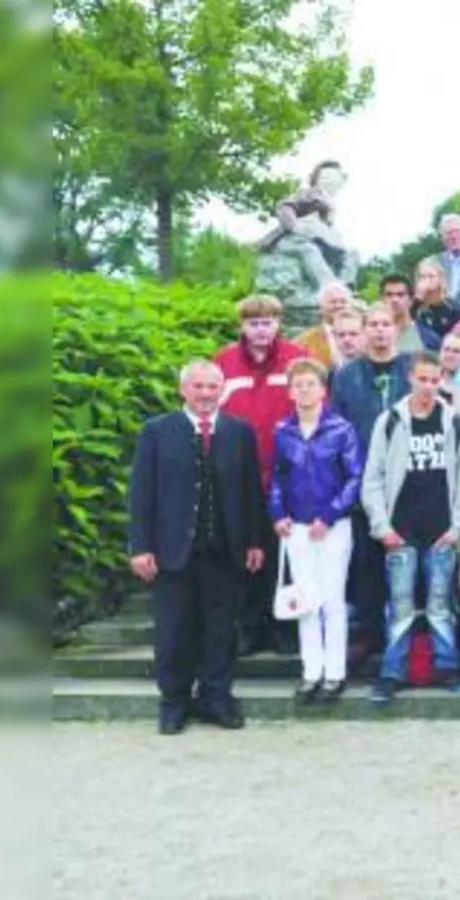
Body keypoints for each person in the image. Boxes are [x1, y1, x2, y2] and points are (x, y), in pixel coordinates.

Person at [128, 360, 268, 735]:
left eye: (212, 387)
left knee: (221, 629)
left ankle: (216, 697)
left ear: (222, 390)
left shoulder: (240, 433)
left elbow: (251, 491)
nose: (206, 394)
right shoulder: (156, 432)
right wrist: (140, 547)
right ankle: (174, 701)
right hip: (173, 551)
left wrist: (255, 540)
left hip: (225, 549)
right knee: (173, 630)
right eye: (198, 387)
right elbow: (141, 494)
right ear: (183, 390)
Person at [361, 352, 460, 703]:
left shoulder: (454, 422)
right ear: (410, 378)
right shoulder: (390, 421)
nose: (428, 386)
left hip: (441, 530)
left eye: (434, 379)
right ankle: (392, 673)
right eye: (422, 379)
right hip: (401, 531)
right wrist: (382, 527)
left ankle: (447, 668)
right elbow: (373, 478)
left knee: (441, 603)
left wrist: (457, 527)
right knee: (400, 605)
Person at [213, 294, 310, 657]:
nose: (260, 330)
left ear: (278, 324)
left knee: (286, 554)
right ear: (242, 326)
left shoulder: (297, 359)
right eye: (253, 323)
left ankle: (284, 627)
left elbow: (316, 405)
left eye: (267, 322)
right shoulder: (224, 362)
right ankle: (249, 626)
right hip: (238, 475)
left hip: (288, 474)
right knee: (244, 551)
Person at [269, 359, 363, 703]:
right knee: (305, 601)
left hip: (333, 527)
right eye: (298, 385)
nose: (304, 390)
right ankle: (311, 672)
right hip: (296, 526)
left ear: (323, 390)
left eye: (311, 384)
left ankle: (335, 673)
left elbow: (355, 477)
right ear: (290, 391)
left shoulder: (341, 430)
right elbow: (277, 476)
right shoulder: (283, 430)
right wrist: (277, 512)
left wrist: (331, 513)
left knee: (332, 600)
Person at [330, 304, 414, 660]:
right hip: (364, 478)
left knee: (409, 555)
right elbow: (338, 427)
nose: (379, 331)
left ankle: (412, 630)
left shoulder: (412, 368)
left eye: (385, 324)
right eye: (373, 325)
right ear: (364, 331)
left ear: (396, 329)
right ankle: (369, 632)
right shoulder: (347, 375)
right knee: (366, 560)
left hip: (410, 477)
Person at [292, 282, 354, 368]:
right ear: (321, 306)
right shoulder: (305, 340)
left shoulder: (364, 336)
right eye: (333, 302)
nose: (339, 306)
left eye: (343, 302)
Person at [412, 258, 460, 340]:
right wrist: (418, 299)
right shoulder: (414, 305)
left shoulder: (452, 306)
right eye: (423, 277)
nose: (427, 280)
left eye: (431, 276)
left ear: (440, 278)